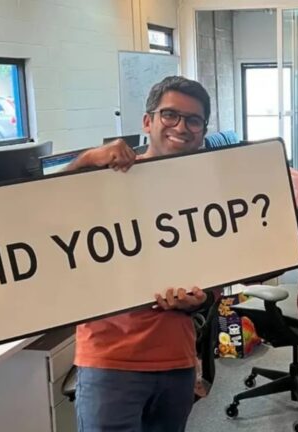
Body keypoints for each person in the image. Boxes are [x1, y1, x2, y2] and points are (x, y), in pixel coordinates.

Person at [67, 76, 211, 432]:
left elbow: (215, 275)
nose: (181, 127)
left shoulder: (207, 193)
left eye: (193, 120)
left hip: (176, 360)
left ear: (203, 132)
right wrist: (86, 160)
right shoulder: (108, 179)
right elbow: (43, 214)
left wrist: (201, 300)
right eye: (170, 115)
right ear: (148, 121)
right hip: (110, 360)